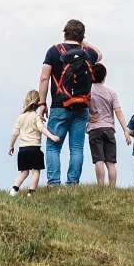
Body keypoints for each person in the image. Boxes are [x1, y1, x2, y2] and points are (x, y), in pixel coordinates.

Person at [38, 18, 100, 186]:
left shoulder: (53, 51)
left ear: (64, 33)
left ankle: (53, 183)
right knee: (77, 148)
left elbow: (44, 78)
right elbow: (99, 54)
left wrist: (42, 103)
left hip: (60, 104)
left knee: (53, 147)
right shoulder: (88, 53)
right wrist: (81, 41)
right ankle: (72, 183)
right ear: (81, 35)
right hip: (82, 106)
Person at [86, 62, 130, 187]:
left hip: (94, 128)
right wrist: (125, 130)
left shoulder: (88, 92)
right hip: (109, 129)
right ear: (104, 77)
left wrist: (88, 117)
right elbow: (118, 111)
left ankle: (101, 186)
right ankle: (112, 187)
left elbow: (83, 108)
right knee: (110, 162)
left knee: (98, 160)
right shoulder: (111, 93)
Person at [8, 89, 59, 195]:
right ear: (38, 104)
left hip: (22, 150)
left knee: (24, 172)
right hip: (34, 149)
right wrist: (52, 136)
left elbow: (14, 133)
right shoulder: (36, 117)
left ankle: (14, 189)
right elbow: (42, 128)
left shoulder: (21, 117)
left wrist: (11, 146)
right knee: (35, 171)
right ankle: (31, 192)